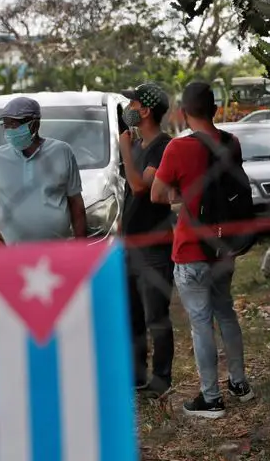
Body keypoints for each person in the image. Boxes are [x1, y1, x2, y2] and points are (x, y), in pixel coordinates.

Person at [150, 81, 255, 419]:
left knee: (200, 323)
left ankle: (211, 399)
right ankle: (239, 384)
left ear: (183, 113)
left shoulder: (177, 150)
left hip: (191, 248)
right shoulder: (231, 143)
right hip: (224, 247)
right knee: (226, 313)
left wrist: (183, 196)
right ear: (215, 110)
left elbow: (156, 194)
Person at [118, 83, 176, 398]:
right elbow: (129, 195)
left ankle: (162, 378)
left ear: (146, 110)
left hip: (155, 245)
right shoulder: (138, 145)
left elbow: (142, 187)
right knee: (133, 315)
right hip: (130, 244)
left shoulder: (162, 147)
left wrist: (126, 152)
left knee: (156, 315)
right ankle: (137, 375)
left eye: (134, 102)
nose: (129, 108)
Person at [0, 96, 87, 244]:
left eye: (15, 124)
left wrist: (81, 246)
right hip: (12, 252)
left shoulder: (62, 152)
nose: (10, 130)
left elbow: (76, 203)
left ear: (35, 124)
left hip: (57, 248)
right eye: (6, 125)